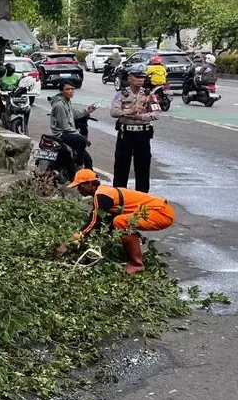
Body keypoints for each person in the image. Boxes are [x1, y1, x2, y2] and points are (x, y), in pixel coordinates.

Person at [53, 169, 176, 274]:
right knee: (115, 221)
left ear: (90, 183)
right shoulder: (104, 192)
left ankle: (136, 264)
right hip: (161, 210)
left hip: (161, 213)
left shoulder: (102, 196)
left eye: (80, 186)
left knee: (120, 222)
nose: (78, 190)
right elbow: (102, 224)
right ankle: (130, 258)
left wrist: (67, 244)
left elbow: (93, 223)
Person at [110, 63, 160, 192]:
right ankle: (119, 196)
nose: (140, 80)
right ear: (129, 78)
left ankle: (142, 199)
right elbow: (114, 112)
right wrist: (129, 111)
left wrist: (140, 117)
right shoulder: (121, 94)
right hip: (125, 134)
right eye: (137, 77)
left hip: (142, 134)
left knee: (143, 168)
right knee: (121, 167)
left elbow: (156, 114)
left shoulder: (149, 95)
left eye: (142, 77)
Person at [49, 82, 97, 170]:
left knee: (88, 160)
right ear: (61, 91)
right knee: (82, 140)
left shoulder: (67, 101)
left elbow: (74, 114)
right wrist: (79, 135)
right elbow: (65, 126)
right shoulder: (60, 105)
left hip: (67, 132)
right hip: (61, 134)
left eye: (72, 89)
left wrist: (87, 111)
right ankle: (79, 166)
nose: (71, 91)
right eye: (68, 89)